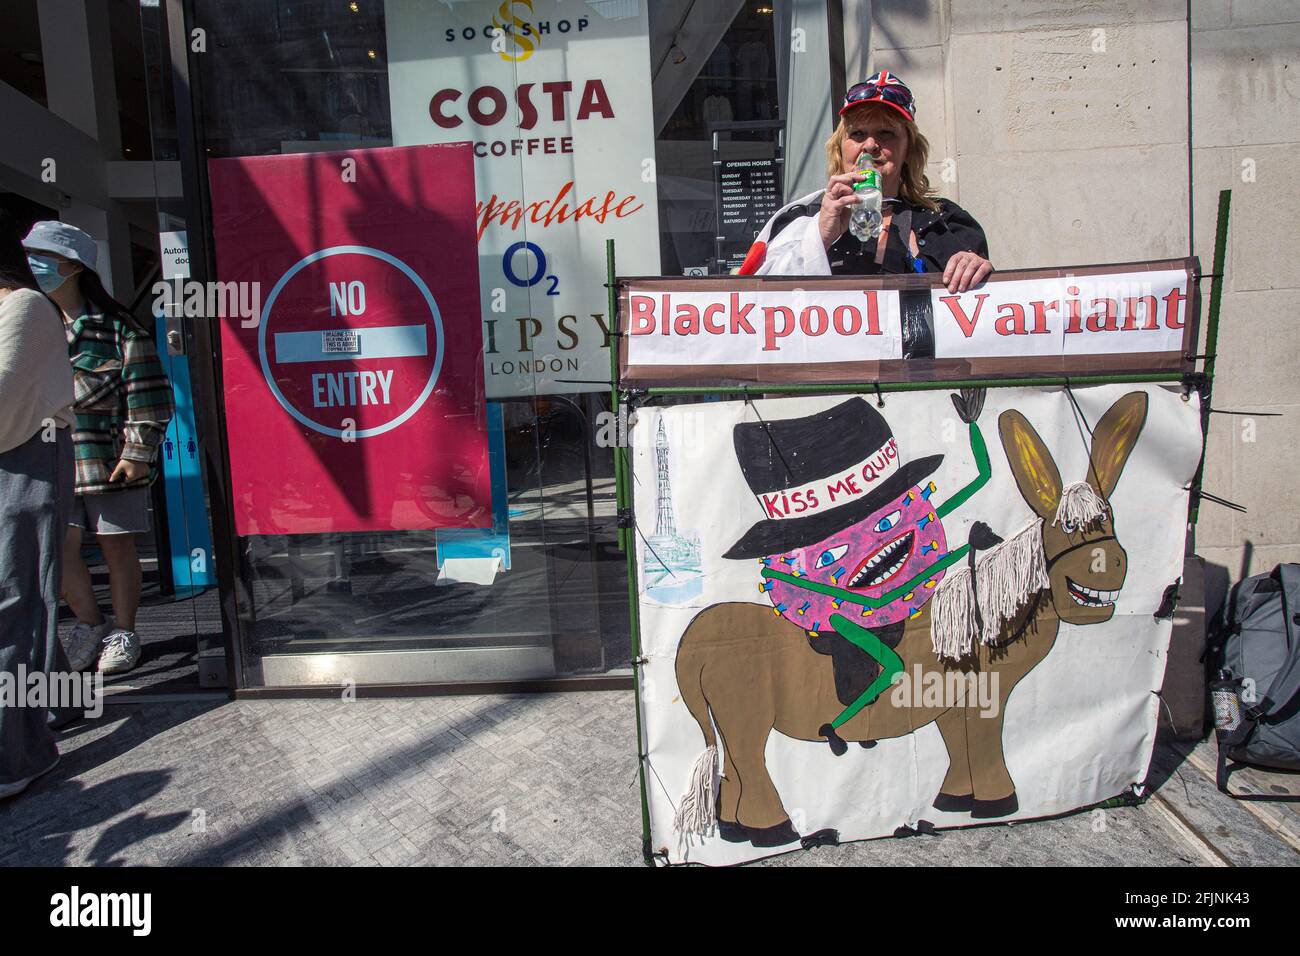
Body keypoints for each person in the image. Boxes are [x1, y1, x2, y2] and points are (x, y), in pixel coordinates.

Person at [23, 222, 174, 675]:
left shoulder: (119, 330)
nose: (35, 267)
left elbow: (149, 398)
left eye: (43, 257)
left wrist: (137, 453)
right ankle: (90, 624)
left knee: (117, 548)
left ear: (72, 266)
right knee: (60, 550)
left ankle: (124, 631)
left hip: (108, 462)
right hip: (50, 462)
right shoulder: (30, 327)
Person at [737, 70, 993, 295]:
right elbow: (756, 303)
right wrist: (820, 236)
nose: (870, 145)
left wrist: (976, 269)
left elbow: (983, 311)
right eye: (858, 134)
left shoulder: (946, 221)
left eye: (886, 133)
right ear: (840, 147)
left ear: (908, 151)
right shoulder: (802, 218)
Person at [0, 211, 76, 798]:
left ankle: (19, 750)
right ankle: (52, 700)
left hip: (23, 460)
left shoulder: (25, 308)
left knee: (19, 600)